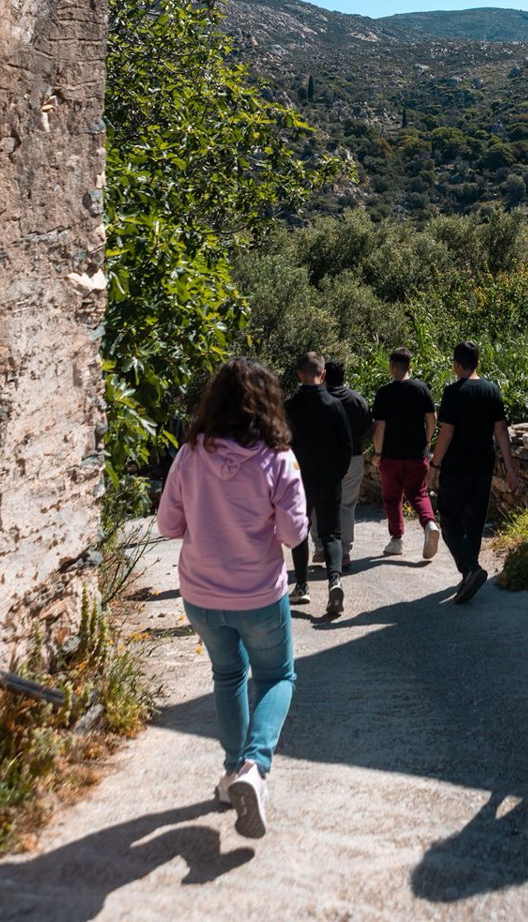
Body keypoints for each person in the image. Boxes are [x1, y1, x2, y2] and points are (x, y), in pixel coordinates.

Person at [156, 357, 306, 840]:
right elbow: (293, 532)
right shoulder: (277, 459)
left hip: (200, 594)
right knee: (277, 675)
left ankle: (231, 773)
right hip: (258, 595)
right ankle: (254, 767)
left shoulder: (189, 454)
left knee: (227, 674)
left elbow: (167, 525)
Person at [429, 340, 517, 603]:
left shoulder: (453, 392)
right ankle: (470, 573)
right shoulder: (492, 390)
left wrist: (434, 466)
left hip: (457, 466)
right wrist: (510, 470)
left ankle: (470, 569)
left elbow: (447, 431)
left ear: (456, 365)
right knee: (475, 519)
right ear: (477, 362)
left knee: (450, 519)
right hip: (483, 464)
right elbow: (501, 431)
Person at [285, 351, 352, 618]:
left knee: (300, 531)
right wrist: (338, 473)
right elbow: (346, 445)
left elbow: (280, 443)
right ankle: (334, 580)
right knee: (331, 533)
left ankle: (301, 587)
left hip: (297, 479)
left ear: (299, 374)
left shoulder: (289, 407)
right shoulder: (334, 405)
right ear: (322, 374)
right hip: (328, 478)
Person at [371, 347, 440, 559]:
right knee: (418, 493)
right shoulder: (421, 389)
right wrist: (427, 441)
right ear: (410, 367)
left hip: (391, 456)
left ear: (391, 367)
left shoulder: (384, 393)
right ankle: (429, 524)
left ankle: (397, 540)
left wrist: (377, 453)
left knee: (392, 498)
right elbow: (432, 419)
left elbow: (379, 427)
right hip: (416, 454)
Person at [310, 358, 371, 571]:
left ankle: (320, 548)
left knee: (319, 505)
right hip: (353, 457)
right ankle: (344, 552)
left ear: (324, 375)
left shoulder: (318, 400)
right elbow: (366, 430)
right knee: (347, 505)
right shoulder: (357, 400)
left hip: (322, 460)